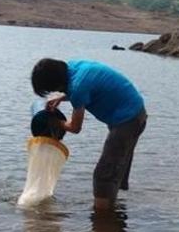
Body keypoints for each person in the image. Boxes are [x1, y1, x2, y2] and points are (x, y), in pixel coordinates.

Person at [30, 58, 147, 211]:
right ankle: (114, 216)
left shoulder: (78, 88)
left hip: (128, 121)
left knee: (103, 175)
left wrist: (55, 123)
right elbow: (85, 88)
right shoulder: (74, 66)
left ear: (58, 84)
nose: (56, 93)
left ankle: (102, 219)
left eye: (54, 90)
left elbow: (75, 127)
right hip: (135, 111)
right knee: (116, 167)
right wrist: (63, 97)